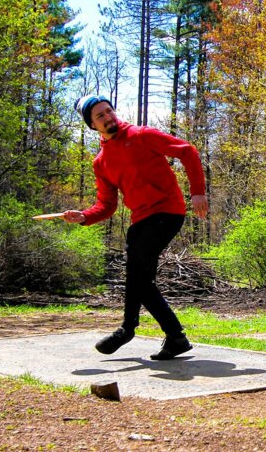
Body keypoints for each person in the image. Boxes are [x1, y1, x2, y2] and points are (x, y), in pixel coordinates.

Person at [63, 95, 208, 360]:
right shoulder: (101, 162)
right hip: (140, 219)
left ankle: (137, 330)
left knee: (139, 278)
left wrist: (198, 192)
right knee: (138, 278)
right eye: (100, 116)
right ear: (92, 125)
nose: (108, 117)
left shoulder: (141, 135)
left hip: (167, 211)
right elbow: (106, 206)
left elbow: (187, 150)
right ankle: (160, 335)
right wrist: (83, 216)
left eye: (109, 111)